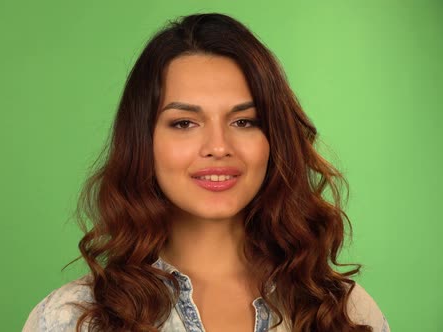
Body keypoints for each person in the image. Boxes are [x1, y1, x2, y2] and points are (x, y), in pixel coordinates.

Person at [22, 12, 390, 332]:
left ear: (274, 139)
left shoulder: (344, 312)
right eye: (184, 123)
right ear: (143, 142)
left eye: (244, 121)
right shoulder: (72, 319)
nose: (218, 145)